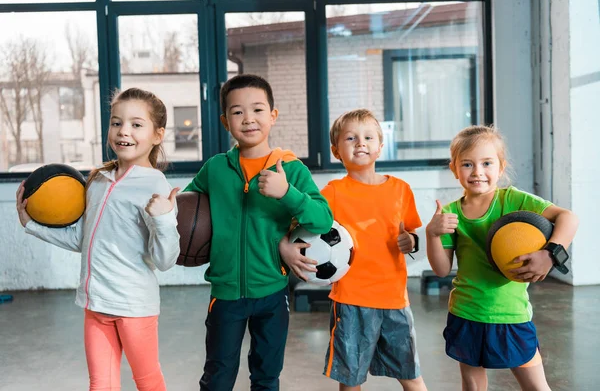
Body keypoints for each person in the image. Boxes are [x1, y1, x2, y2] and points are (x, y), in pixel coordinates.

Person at [16, 87, 180, 391]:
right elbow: (83, 238)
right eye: (116, 123)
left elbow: (165, 260)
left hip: (134, 307)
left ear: (158, 135)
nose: (123, 131)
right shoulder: (97, 181)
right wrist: (31, 225)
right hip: (96, 304)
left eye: (136, 124)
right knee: (100, 385)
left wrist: (163, 219)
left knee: (148, 382)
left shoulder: (155, 186)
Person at [184, 74, 333, 391]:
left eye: (257, 110)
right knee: (217, 376)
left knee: (266, 376)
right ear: (225, 121)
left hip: (273, 293)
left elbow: (322, 220)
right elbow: (186, 210)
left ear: (273, 116)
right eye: (237, 112)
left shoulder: (290, 169)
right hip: (225, 294)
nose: (248, 119)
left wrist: (287, 193)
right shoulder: (214, 169)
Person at [280, 109, 428, 391]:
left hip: (394, 299)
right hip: (351, 300)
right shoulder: (332, 193)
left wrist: (412, 241)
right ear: (336, 150)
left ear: (380, 147)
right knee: (350, 378)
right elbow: (302, 226)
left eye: (368, 137)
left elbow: (413, 234)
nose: (360, 143)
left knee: (411, 374)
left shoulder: (401, 190)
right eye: (351, 138)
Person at [425, 125, 579, 391]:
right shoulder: (450, 213)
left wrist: (551, 254)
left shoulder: (514, 199)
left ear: (501, 166)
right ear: (454, 169)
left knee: (536, 387)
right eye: (467, 164)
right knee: (473, 386)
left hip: (511, 314)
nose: (478, 172)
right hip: (466, 312)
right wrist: (432, 234)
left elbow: (568, 218)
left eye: (486, 163)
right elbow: (441, 270)